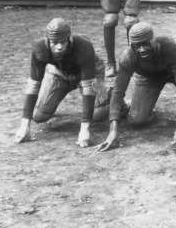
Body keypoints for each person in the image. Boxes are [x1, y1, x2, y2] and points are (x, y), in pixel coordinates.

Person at [96, 22, 176, 152]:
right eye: (137, 46)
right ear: (131, 46)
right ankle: (126, 107)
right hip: (149, 76)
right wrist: (113, 131)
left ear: (154, 40)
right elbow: (118, 91)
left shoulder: (170, 48)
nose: (142, 49)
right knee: (137, 120)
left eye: (145, 43)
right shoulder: (127, 57)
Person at [14, 18, 109, 147]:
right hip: (59, 73)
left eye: (63, 42)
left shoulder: (83, 45)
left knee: (98, 114)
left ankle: (114, 98)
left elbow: (88, 86)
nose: (59, 46)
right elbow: (33, 85)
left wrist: (84, 129)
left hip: (89, 73)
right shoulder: (39, 48)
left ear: (69, 39)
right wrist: (24, 125)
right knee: (39, 116)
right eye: (54, 42)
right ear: (47, 40)